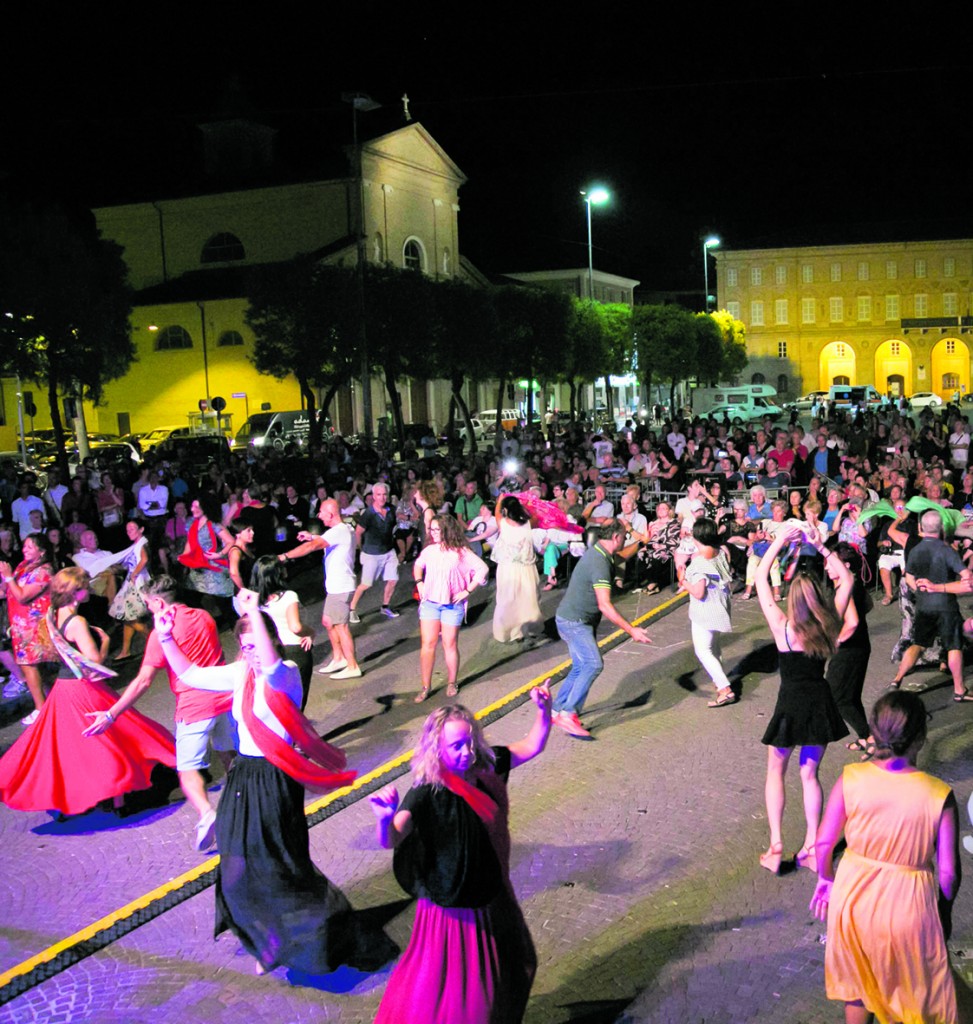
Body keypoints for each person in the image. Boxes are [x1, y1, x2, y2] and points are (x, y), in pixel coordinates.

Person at [151, 589, 389, 976]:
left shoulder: (286, 675)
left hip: (276, 777)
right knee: (237, 861)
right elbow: (190, 674)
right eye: (244, 646)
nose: (252, 652)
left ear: (272, 639)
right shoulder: (241, 672)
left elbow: (272, 661)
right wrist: (164, 636)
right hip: (244, 774)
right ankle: (264, 936)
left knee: (279, 862)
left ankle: (299, 937)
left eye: (256, 643)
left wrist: (254, 613)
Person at [369, 683, 552, 1024]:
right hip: (455, 908)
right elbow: (393, 838)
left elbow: (531, 745)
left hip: (494, 893)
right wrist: (384, 820)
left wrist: (543, 712)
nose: (466, 750)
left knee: (518, 963)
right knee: (462, 996)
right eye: (455, 746)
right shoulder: (427, 790)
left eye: (469, 740)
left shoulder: (486, 766)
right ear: (436, 748)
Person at [810, 692, 960, 1024]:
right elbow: (948, 874)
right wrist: (943, 912)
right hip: (909, 907)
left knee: (857, 987)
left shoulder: (852, 777)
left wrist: (825, 877)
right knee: (910, 994)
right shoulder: (939, 796)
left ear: (875, 732)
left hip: (853, 899)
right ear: (920, 738)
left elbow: (823, 843)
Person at [0, 568, 175, 815]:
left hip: (63, 688)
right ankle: (120, 802)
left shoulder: (53, 614)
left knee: (75, 746)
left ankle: (89, 800)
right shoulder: (78, 622)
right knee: (113, 736)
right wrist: (104, 642)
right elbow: (94, 661)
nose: (89, 590)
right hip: (82, 688)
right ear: (76, 592)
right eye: (85, 586)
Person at [82, 574, 233, 851]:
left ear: (157, 601)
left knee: (187, 772)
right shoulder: (203, 616)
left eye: (148, 603)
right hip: (224, 697)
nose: (147, 608)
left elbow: (143, 681)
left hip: (193, 706)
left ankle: (206, 813)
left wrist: (111, 714)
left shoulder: (160, 635)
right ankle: (243, 799)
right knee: (228, 754)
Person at [755, 523, 853, 875]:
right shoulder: (829, 622)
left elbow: (761, 579)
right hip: (819, 702)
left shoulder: (783, 627)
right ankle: (812, 844)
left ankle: (777, 843)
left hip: (789, 704)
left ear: (793, 601)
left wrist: (781, 542)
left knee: (775, 772)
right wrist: (822, 547)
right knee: (810, 775)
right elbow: (848, 581)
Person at [552, 520, 652, 739]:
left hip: (568, 618)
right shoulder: (599, 563)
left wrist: (642, 541)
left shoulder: (600, 551)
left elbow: (621, 556)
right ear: (616, 537)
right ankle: (568, 715)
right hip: (575, 622)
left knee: (580, 666)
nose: (625, 539)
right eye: (625, 536)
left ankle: (557, 708)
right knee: (593, 664)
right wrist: (631, 630)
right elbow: (604, 605)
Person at [892, 508, 973, 699]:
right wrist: (941, 586)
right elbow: (966, 579)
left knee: (918, 644)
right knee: (954, 646)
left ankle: (897, 679)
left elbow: (909, 578)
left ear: (921, 527)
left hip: (924, 605)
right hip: (946, 606)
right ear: (941, 528)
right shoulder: (947, 551)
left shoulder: (916, 549)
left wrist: (921, 589)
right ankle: (959, 690)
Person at [280, 499, 362, 681]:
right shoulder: (343, 529)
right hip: (336, 587)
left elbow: (312, 547)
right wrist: (311, 536)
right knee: (328, 622)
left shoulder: (338, 531)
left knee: (341, 626)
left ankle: (352, 665)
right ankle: (339, 658)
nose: (318, 515)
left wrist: (285, 556)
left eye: (321, 512)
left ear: (330, 514)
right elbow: (323, 541)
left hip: (341, 587)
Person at [412, 514, 489, 702]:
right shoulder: (430, 550)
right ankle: (425, 686)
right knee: (427, 644)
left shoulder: (461, 552)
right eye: (432, 529)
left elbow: (483, 569)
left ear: (447, 530)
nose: (434, 533)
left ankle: (452, 682)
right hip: (430, 603)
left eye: (438, 529)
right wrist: (419, 582)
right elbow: (418, 565)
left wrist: (467, 591)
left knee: (449, 644)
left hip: (452, 605)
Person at [1, 533, 57, 725]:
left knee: (30, 666)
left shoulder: (44, 570)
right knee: (35, 668)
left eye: (30, 547)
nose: (25, 550)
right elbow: (7, 590)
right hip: (19, 626)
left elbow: (23, 596)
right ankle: (52, 704)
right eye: (24, 546)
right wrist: (5, 580)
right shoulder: (22, 567)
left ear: (41, 552)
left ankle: (41, 709)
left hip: (33, 626)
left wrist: (9, 578)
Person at [825, 543, 874, 760]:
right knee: (851, 696)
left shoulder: (846, 588)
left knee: (838, 698)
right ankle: (865, 736)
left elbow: (852, 621)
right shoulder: (854, 584)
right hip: (860, 647)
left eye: (830, 562)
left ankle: (872, 739)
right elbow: (868, 606)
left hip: (850, 650)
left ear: (844, 565)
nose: (827, 567)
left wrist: (835, 641)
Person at [250, 555, 315, 710]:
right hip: (294, 649)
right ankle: (298, 733)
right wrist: (311, 632)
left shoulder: (254, 602)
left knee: (280, 701)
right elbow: (296, 627)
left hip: (271, 652)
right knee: (297, 700)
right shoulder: (288, 596)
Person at [683, 518, 735, 707]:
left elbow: (698, 592)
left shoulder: (698, 563)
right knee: (714, 647)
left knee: (703, 650)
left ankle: (724, 689)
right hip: (721, 604)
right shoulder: (720, 552)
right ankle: (718, 680)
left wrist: (684, 582)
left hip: (706, 610)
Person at [491, 496, 542, 643]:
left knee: (508, 600)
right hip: (526, 569)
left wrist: (500, 499)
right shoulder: (528, 524)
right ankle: (529, 628)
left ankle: (513, 632)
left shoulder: (503, 524)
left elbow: (497, 513)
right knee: (528, 599)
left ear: (506, 510)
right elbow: (535, 516)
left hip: (508, 569)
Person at [179, 494, 234, 629]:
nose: (193, 509)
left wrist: (218, 554)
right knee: (190, 599)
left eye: (197, 506)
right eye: (192, 505)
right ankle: (207, 623)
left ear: (205, 507)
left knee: (223, 602)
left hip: (214, 568)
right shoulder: (191, 523)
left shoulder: (214, 524)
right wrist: (184, 557)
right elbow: (189, 543)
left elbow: (231, 541)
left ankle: (236, 627)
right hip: (198, 568)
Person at [348, 481, 400, 623]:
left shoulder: (391, 509)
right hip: (371, 554)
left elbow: (397, 522)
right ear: (374, 496)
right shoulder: (368, 514)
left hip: (389, 551)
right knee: (366, 584)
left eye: (384, 494)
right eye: (379, 495)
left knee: (393, 579)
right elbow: (358, 532)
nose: (382, 498)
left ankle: (385, 606)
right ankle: (352, 609)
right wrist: (360, 550)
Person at [109, 520, 151, 663]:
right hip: (131, 582)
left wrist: (134, 574)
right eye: (128, 530)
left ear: (141, 529)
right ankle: (125, 651)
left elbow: (144, 559)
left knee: (130, 617)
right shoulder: (134, 546)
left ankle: (156, 641)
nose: (130, 532)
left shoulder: (142, 543)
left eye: (132, 529)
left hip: (137, 583)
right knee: (128, 618)